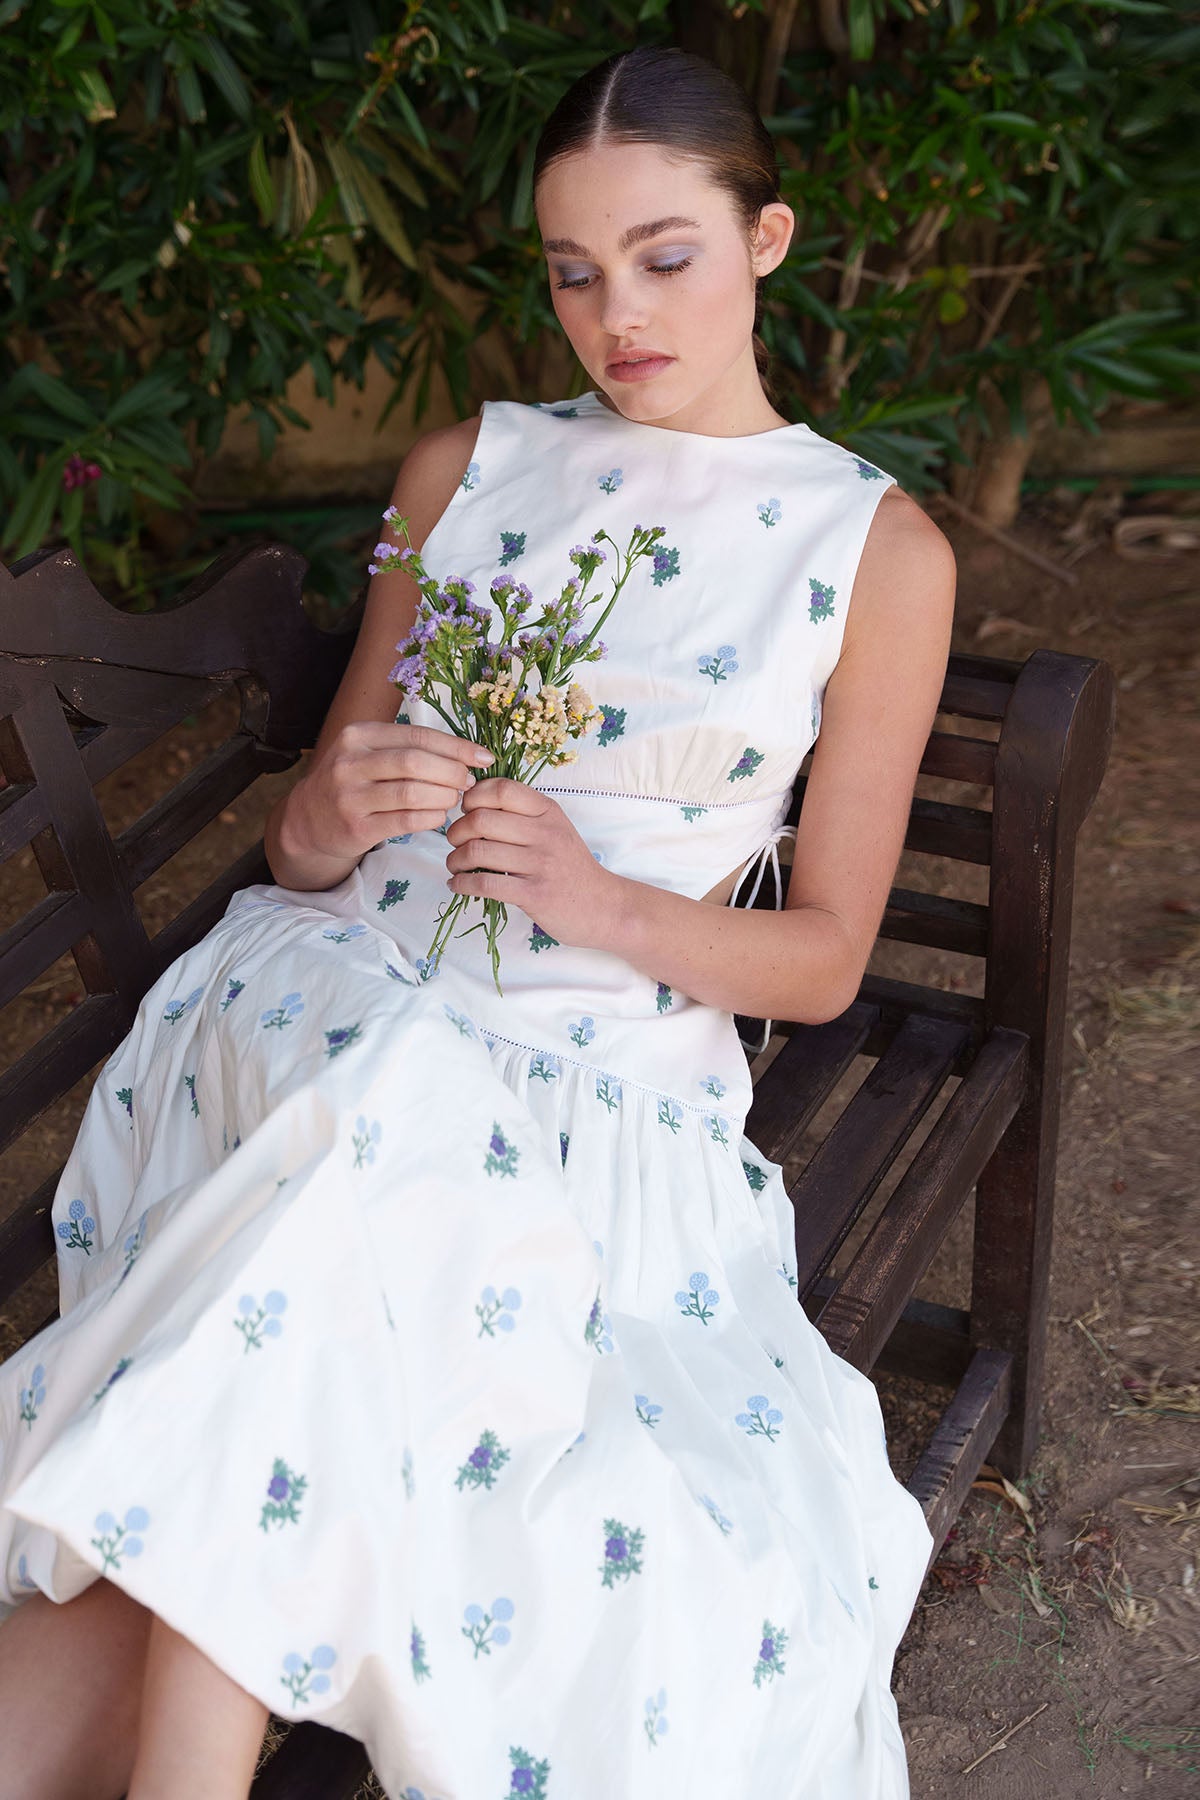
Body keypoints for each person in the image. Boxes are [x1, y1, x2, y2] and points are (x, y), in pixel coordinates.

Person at [0, 41, 955, 1800]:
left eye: (663, 256)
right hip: (328, 1008)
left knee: (341, 1282)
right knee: (384, 1121)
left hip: (592, 1091)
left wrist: (603, 900)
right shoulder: (466, 470)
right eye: (573, 272)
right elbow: (302, 840)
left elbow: (822, 961)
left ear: (769, 238)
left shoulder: (872, 549)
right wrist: (325, 808)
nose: (616, 318)